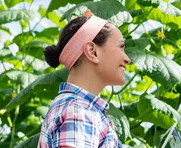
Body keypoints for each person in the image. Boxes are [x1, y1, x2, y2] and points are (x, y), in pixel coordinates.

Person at [38, 11, 130, 147]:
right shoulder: (79, 112)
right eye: (121, 47)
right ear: (92, 51)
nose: (127, 59)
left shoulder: (74, 107)